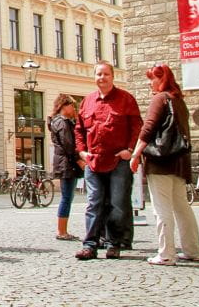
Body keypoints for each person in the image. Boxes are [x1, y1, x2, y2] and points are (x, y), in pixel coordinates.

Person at [129, 63, 199, 265]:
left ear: (161, 79)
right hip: (179, 160)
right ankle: (193, 249)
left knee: (162, 208)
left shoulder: (160, 98)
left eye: (152, 79)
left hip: (161, 161)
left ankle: (166, 253)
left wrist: (135, 155)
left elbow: (148, 129)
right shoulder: (178, 100)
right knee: (182, 207)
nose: (150, 83)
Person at [74, 62, 142, 261]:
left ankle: (114, 243)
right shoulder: (87, 101)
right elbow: (79, 129)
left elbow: (137, 125)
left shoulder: (125, 99)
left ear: (112, 76)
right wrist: (81, 152)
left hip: (117, 161)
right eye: (98, 74)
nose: (101, 78)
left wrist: (130, 150)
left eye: (105, 74)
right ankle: (90, 245)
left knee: (117, 204)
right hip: (94, 161)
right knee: (93, 203)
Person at [49, 94, 83, 241]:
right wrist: (78, 160)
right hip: (67, 164)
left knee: (67, 197)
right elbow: (69, 144)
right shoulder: (62, 123)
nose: (73, 108)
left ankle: (62, 230)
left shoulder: (62, 122)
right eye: (71, 105)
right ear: (63, 106)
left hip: (66, 163)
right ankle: (62, 231)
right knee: (67, 197)